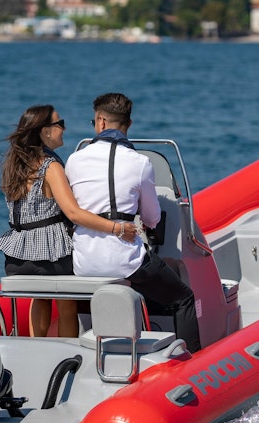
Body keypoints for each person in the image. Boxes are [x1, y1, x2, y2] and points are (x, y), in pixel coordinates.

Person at [64, 93, 202, 351]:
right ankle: (192, 362)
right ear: (128, 124)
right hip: (124, 261)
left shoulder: (75, 160)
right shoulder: (140, 163)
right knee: (183, 298)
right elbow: (152, 218)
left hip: (84, 262)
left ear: (101, 122)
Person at [0, 104, 137, 338]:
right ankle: (69, 356)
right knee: (67, 305)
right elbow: (74, 214)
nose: (64, 128)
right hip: (51, 256)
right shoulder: (50, 167)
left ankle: (37, 349)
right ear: (45, 131)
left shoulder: (14, 166)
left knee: (40, 298)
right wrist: (117, 228)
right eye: (60, 124)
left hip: (17, 258)